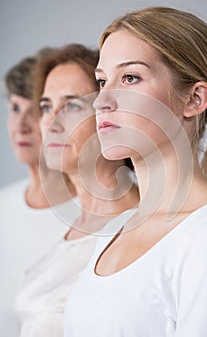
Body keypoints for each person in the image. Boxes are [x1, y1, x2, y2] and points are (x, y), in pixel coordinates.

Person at [64, 7, 207, 336]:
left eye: (130, 77)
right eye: (102, 81)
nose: (101, 101)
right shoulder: (115, 231)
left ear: (195, 99)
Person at [14, 43, 139, 336]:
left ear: (110, 116)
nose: (51, 123)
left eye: (71, 106)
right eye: (46, 107)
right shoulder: (72, 228)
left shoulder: (139, 231)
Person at [0, 48, 77, 337]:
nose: (21, 126)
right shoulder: (3, 205)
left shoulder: (97, 215)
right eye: (15, 109)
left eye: (37, 110)